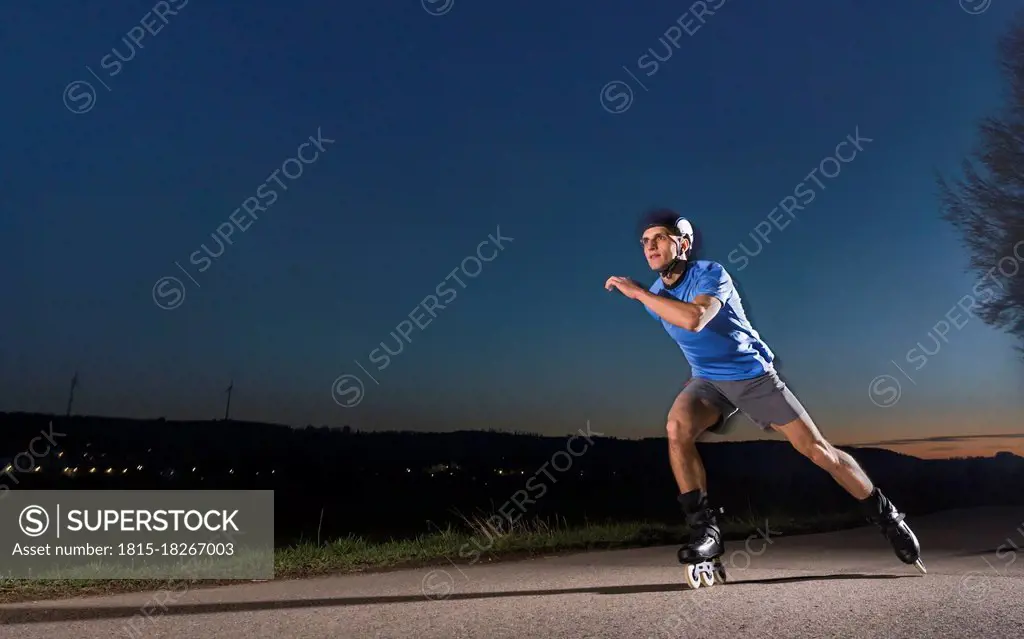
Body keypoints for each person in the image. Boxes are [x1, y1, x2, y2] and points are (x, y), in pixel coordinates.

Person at [603, 208, 925, 581]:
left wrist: (639, 293)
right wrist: (694, 374)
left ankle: (887, 517)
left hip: (753, 377)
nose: (650, 246)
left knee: (818, 451)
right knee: (677, 428)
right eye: (645, 241)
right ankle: (706, 532)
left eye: (659, 238)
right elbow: (691, 341)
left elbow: (695, 319)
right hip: (708, 381)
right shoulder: (655, 296)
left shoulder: (711, 274)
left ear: (684, 244)